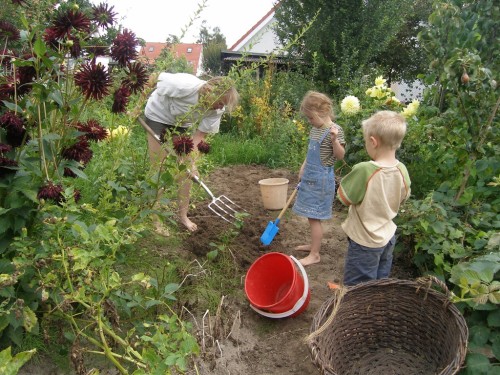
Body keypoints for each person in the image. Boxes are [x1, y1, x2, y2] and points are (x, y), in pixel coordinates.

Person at [143, 72, 239, 232]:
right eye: (221, 102)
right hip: (157, 116)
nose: (221, 107)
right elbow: (153, 78)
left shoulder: (216, 110)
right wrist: (138, 103)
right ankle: (155, 217)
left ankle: (183, 216)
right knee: (158, 167)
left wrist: (191, 162)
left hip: (181, 123)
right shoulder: (183, 85)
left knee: (186, 172)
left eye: (225, 105)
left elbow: (199, 136)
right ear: (210, 91)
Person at [337, 110, 411, 286]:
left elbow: (345, 198)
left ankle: (356, 312)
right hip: (387, 236)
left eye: (365, 142)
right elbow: (404, 197)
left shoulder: (365, 169)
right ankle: (374, 310)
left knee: (358, 288)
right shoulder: (402, 170)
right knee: (378, 283)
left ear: (373, 141)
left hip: (365, 239)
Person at [292, 91, 346, 266]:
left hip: (322, 181)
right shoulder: (315, 129)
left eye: (311, 117)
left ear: (322, 113)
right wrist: (303, 167)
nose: (310, 121)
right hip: (309, 177)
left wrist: (335, 140)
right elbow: (311, 153)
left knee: (315, 217)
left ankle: (315, 254)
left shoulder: (335, 131)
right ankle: (313, 245)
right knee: (310, 215)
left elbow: (340, 156)